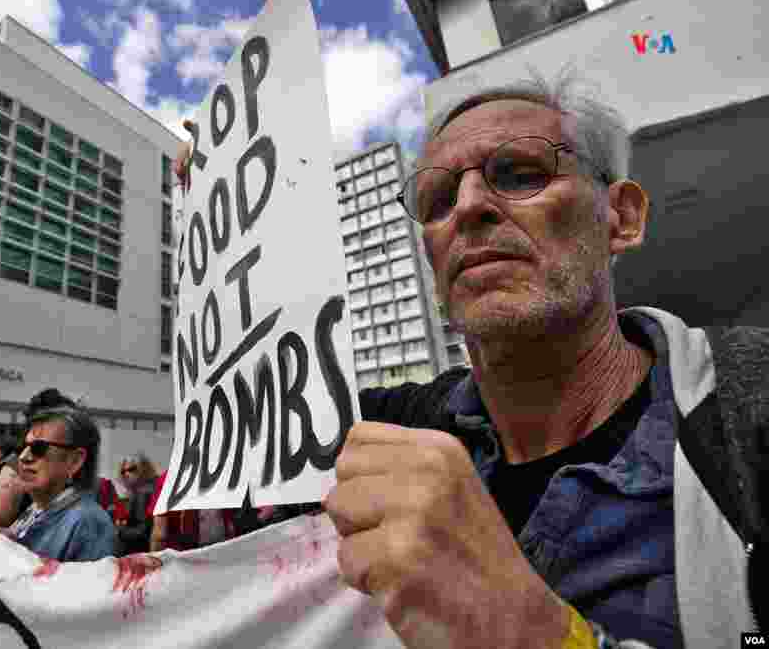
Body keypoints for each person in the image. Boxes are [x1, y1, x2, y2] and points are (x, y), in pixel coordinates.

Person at [311, 73, 768, 648]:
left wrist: (536, 632)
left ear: (621, 216)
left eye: (521, 173)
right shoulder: (394, 424)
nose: (469, 207)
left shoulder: (751, 405)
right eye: (438, 200)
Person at [0, 389, 115, 562]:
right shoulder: (38, 508)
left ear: (75, 461)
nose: (23, 457)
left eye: (39, 448)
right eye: (24, 447)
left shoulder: (89, 523)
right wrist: (5, 541)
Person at [147, 470, 236, 551]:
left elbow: (160, 535)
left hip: (183, 557)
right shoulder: (225, 476)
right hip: (221, 552)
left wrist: (154, 564)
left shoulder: (169, 478)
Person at [112, 454, 158, 555]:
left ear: (144, 468)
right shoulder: (146, 489)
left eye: (131, 469)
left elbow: (144, 531)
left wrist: (118, 531)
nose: (126, 474)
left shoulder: (143, 493)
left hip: (140, 553)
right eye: (123, 471)